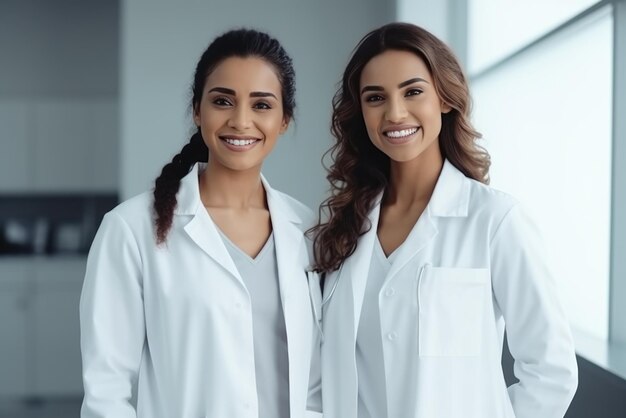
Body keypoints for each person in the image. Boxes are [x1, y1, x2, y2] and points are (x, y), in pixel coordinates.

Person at [310, 22, 577, 418]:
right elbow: (322, 372)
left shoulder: (495, 220)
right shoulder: (344, 230)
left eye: (413, 91)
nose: (395, 113)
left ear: (445, 99)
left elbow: (551, 373)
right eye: (375, 98)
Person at [80, 28, 322, 418]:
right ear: (197, 110)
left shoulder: (308, 230)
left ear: (284, 120)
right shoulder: (130, 230)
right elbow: (106, 390)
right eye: (223, 101)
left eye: (261, 105)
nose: (241, 121)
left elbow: (316, 382)